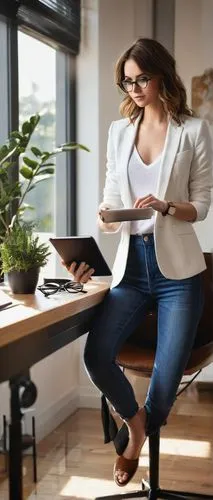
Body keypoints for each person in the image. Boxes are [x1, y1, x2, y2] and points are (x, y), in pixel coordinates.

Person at [64, 38, 213, 487]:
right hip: (132, 267)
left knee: (166, 378)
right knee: (96, 355)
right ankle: (137, 426)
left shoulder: (193, 130)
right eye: (126, 81)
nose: (133, 88)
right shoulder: (118, 132)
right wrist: (106, 217)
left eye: (141, 78)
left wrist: (167, 206)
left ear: (161, 75)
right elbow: (112, 200)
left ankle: (134, 442)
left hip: (179, 275)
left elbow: (201, 205)